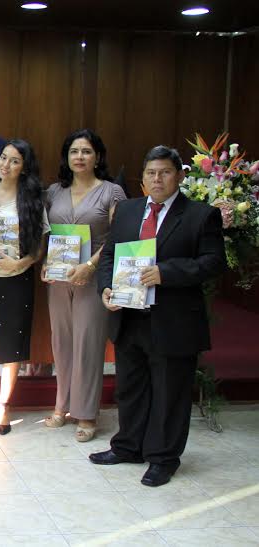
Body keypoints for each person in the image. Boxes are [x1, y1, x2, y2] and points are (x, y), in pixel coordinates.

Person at [91, 145, 225, 487]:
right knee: (131, 387)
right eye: (151, 173)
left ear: (179, 175)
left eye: (164, 172)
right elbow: (110, 258)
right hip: (129, 315)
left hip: (173, 319)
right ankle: (128, 446)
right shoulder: (127, 211)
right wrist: (106, 289)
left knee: (169, 392)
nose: (157, 179)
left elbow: (213, 263)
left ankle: (163, 458)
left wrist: (166, 272)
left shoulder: (200, 214)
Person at [42, 129, 126, 442]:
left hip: (93, 278)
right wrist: (45, 265)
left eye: (87, 151)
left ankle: (87, 413)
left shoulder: (111, 192)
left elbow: (120, 235)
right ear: (66, 157)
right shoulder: (53, 191)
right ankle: (61, 405)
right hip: (60, 280)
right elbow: (47, 235)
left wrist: (90, 265)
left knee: (88, 345)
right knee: (61, 342)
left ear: (98, 156)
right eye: (74, 151)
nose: (80, 157)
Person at [0, 140, 49, 434]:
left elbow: (40, 245)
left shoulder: (32, 199)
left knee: (12, 344)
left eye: (14, 161)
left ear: (24, 167)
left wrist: (23, 264)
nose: (6, 165)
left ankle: (4, 404)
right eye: (4, 158)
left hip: (18, 278)